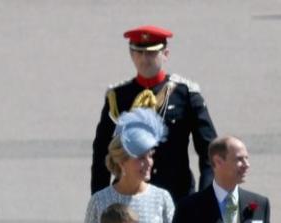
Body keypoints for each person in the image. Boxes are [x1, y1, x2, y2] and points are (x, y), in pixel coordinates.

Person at [90, 25, 216, 205]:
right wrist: (100, 199)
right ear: (131, 55)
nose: (144, 59)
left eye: (151, 53)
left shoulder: (185, 94)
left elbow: (209, 152)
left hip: (176, 196)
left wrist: (205, 199)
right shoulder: (118, 96)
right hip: (128, 197)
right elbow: (102, 152)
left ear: (165, 54)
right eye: (139, 52)